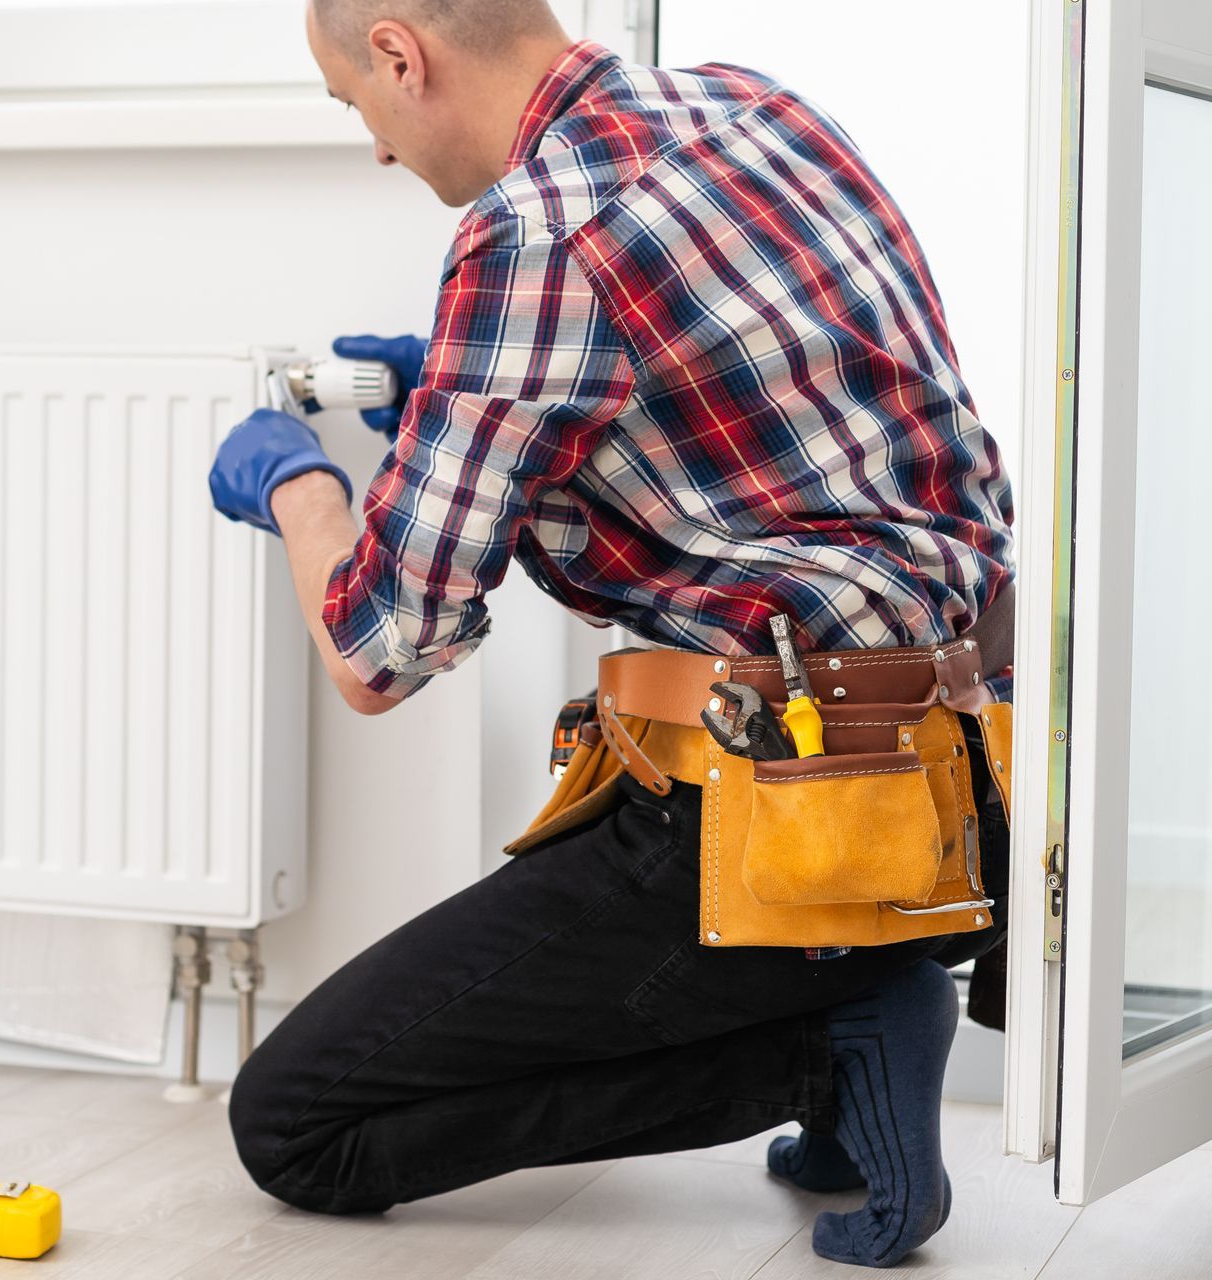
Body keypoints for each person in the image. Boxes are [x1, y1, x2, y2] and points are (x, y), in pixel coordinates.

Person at [206, 0, 1015, 1269]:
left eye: (350, 101)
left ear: (401, 56)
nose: (372, 145)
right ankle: (855, 998)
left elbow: (376, 650)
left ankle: (836, 1038)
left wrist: (296, 487)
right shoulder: (763, 110)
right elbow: (756, 424)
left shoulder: (533, 239)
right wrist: (461, 385)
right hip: (958, 787)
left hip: (774, 808)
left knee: (299, 1124)